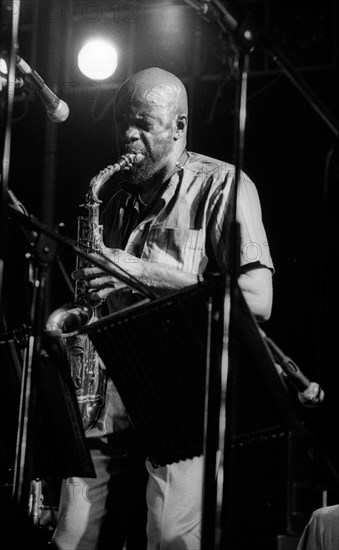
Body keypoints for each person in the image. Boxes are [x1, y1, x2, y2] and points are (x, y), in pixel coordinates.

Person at [50, 67, 274, 550]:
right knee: (68, 535)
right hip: (109, 390)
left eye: (143, 123)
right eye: (122, 122)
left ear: (179, 126)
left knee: (171, 535)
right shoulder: (110, 205)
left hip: (183, 389)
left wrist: (141, 271)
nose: (128, 135)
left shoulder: (223, 186)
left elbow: (258, 299)